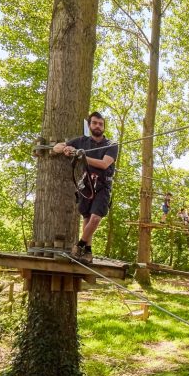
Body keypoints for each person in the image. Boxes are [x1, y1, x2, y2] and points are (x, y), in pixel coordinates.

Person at [53, 112, 117, 263]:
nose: (97, 126)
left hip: (103, 185)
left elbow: (104, 164)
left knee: (95, 218)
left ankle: (79, 245)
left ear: (104, 127)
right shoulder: (82, 141)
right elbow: (57, 148)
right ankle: (87, 251)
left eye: (100, 124)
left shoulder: (111, 145)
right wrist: (64, 148)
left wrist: (81, 156)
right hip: (86, 185)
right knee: (87, 219)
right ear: (89, 126)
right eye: (94, 123)